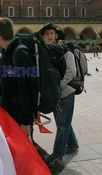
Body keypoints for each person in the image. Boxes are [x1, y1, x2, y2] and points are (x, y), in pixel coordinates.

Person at [0, 18, 38, 136]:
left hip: (20, 115)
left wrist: (26, 121)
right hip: (11, 112)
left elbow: (28, 87)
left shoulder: (20, 54)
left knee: (24, 150)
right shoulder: (7, 52)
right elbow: (10, 77)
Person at [40, 23, 79, 161]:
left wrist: (59, 86)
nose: (49, 36)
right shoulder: (43, 51)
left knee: (62, 124)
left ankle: (57, 155)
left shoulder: (65, 50)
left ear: (56, 35)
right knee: (63, 122)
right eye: (46, 34)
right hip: (54, 94)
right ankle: (73, 144)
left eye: (51, 33)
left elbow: (71, 71)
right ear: (43, 37)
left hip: (66, 92)